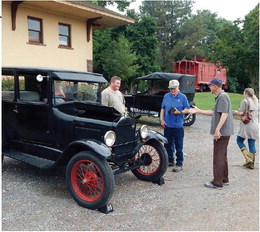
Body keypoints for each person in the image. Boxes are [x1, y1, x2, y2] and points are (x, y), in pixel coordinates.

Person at [189, 77, 234, 189]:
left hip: (222, 132)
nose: (209, 87)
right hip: (224, 132)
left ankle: (217, 182)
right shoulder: (220, 96)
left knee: (218, 156)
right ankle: (224, 179)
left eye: (210, 85)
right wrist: (198, 110)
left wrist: (217, 129)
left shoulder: (222, 97)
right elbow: (213, 112)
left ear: (215, 86)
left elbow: (224, 114)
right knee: (222, 155)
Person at [160, 79, 190, 172]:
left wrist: (179, 112)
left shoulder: (183, 97)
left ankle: (179, 163)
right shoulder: (166, 96)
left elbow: (187, 109)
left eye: (174, 89)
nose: (172, 91)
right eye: (171, 89)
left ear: (178, 87)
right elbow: (163, 108)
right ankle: (170, 160)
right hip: (168, 124)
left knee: (178, 145)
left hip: (178, 126)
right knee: (167, 144)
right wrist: (161, 119)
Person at [233, 88, 259, 169]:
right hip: (256, 125)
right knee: (251, 143)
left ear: (246, 93)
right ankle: (252, 164)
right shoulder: (256, 102)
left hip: (247, 125)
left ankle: (248, 159)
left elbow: (240, 112)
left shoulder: (245, 101)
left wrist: (234, 112)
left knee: (239, 140)